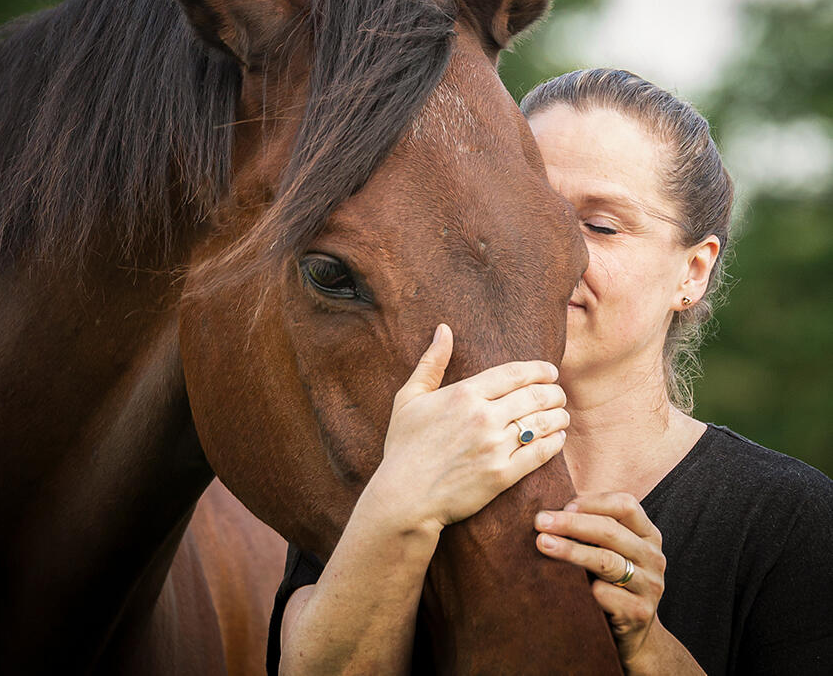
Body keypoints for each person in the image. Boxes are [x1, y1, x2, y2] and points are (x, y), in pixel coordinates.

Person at [267, 68, 833, 675]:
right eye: (526, 213)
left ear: (692, 273)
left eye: (600, 225)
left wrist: (647, 646)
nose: (552, 253)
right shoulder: (392, 457)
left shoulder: (792, 520)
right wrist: (400, 505)